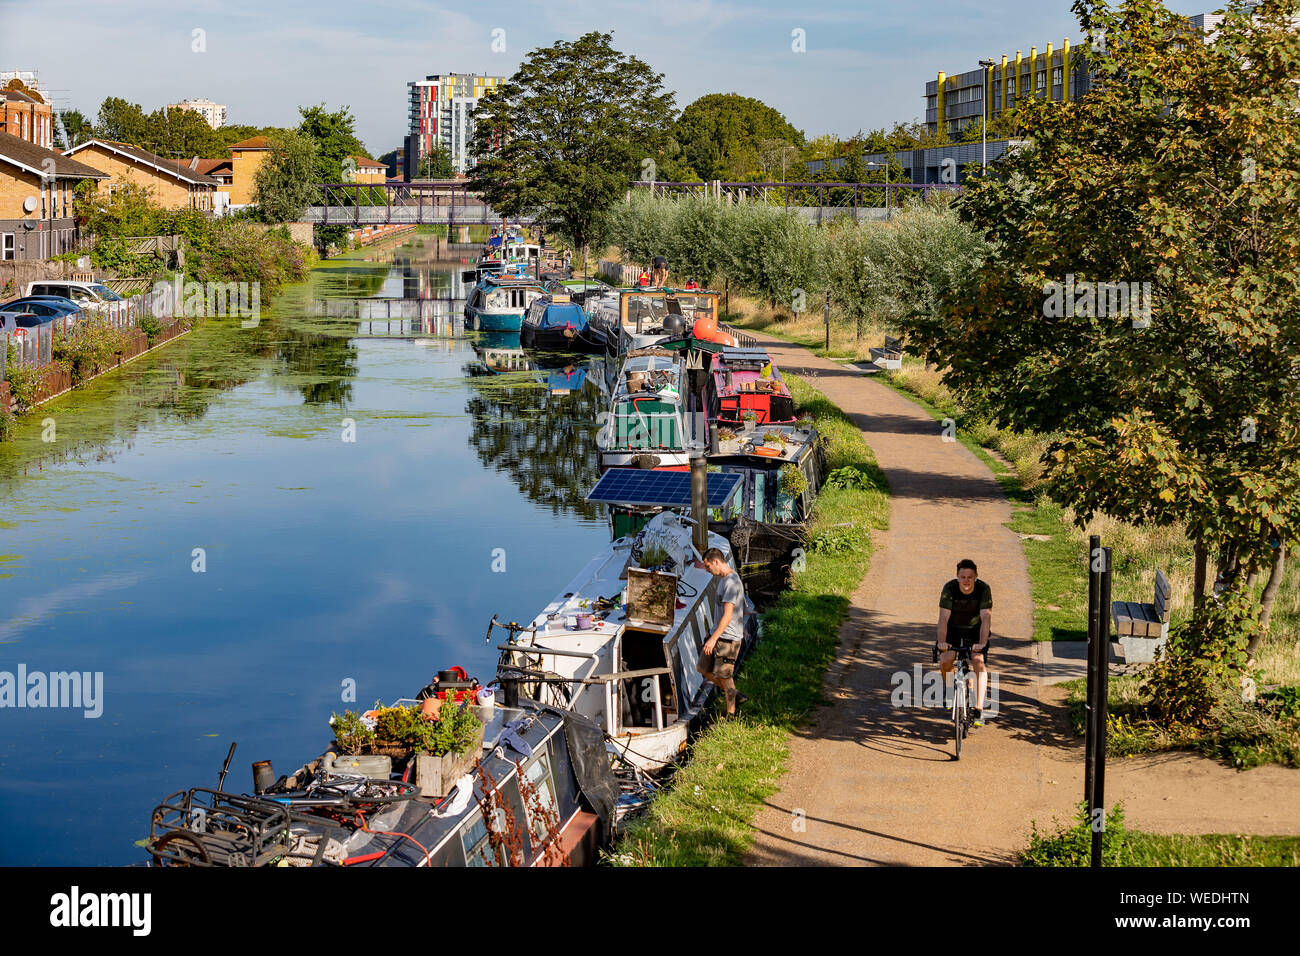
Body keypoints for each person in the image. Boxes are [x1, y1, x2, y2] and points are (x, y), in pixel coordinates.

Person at [693, 547, 748, 717]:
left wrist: (713, 639)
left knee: (725, 677)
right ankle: (735, 694)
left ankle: (730, 716)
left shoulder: (731, 582)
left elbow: (728, 615)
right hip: (718, 635)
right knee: (702, 668)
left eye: (708, 566)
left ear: (717, 562)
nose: (708, 570)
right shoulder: (725, 579)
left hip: (727, 639)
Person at [937, 558, 993, 726]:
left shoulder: (983, 589)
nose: (966, 581)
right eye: (963, 577)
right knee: (946, 659)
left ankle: (979, 709)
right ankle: (949, 689)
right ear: (957, 577)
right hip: (953, 629)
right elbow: (943, 618)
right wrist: (941, 642)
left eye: (970, 577)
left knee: (978, 661)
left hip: (975, 630)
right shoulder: (949, 589)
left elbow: (985, 618)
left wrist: (982, 644)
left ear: (976, 576)